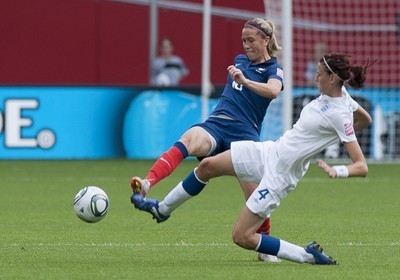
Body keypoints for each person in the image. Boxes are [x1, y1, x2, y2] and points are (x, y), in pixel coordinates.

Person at [131, 53, 373, 265]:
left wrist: (338, 170)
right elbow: (365, 120)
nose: (315, 78)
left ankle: (307, 256)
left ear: (332, 79)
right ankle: (162, 210)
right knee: (207, 166)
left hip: (281, 175)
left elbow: (361, 166)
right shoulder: (341, 98)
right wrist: (332, 136)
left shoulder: (340, 113)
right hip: (270, 152)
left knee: (242, 236)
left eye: (319, 75)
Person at [131, 18, 284, 262]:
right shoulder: (240, 60)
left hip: (245, 134)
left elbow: (274, 91)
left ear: (266, 40)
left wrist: (245, 81)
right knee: (189, 139)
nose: (246, 46)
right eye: (243, 40)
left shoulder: (273, 69)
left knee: (254, 196)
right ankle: (148, 182)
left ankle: (265, 246)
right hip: (217, 123)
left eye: (251, 40)